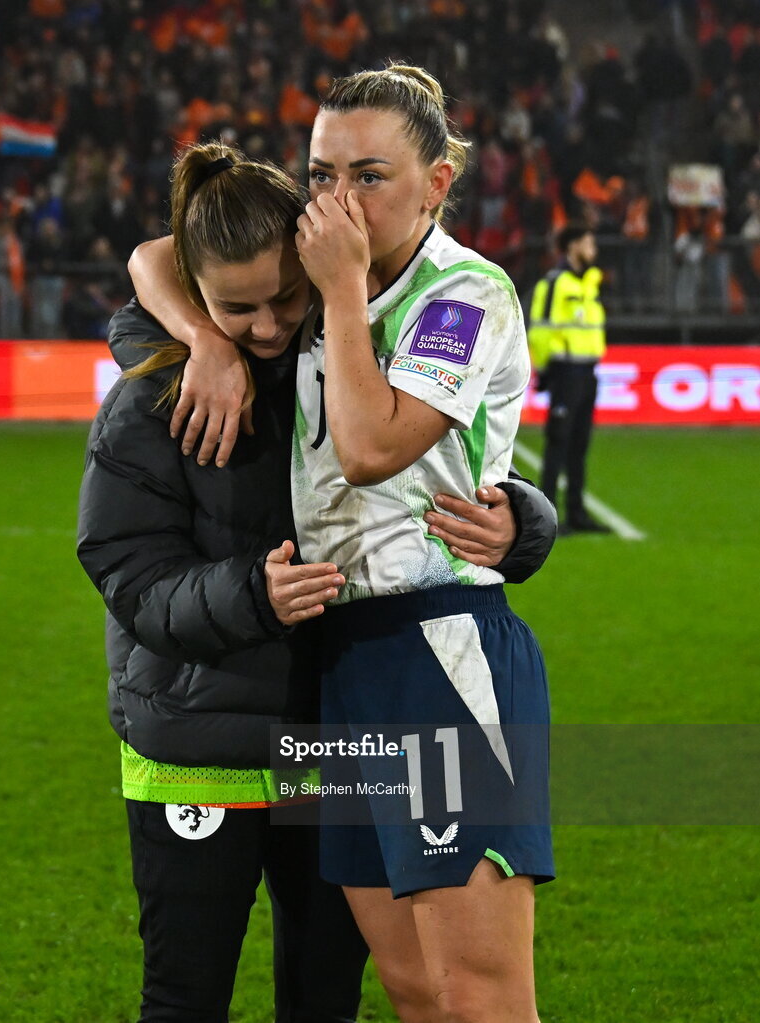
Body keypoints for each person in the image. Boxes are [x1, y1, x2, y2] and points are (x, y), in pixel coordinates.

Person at [79, 140, 556, 1023]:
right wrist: (249, 594)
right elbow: (129, 575)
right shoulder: (150, 397)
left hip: (335, 738)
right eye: (234, 309)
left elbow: (435, 465)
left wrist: (521, 519)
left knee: (326, 996)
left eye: (283, 300)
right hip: (198, 744)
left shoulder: (343, 352)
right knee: (184, 1000)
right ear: (196, 291)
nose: (263, 326)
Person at [528, 223, 610, 534]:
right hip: (565, 371)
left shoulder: (590, 282)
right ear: (573, 245)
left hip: (588, 371)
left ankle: (576, 513)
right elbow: (540, 329)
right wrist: (547, 370)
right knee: (558, 442)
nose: (594, 250)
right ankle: (549, 516)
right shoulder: (554, 283)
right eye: (589, 242)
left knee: (579, 444)